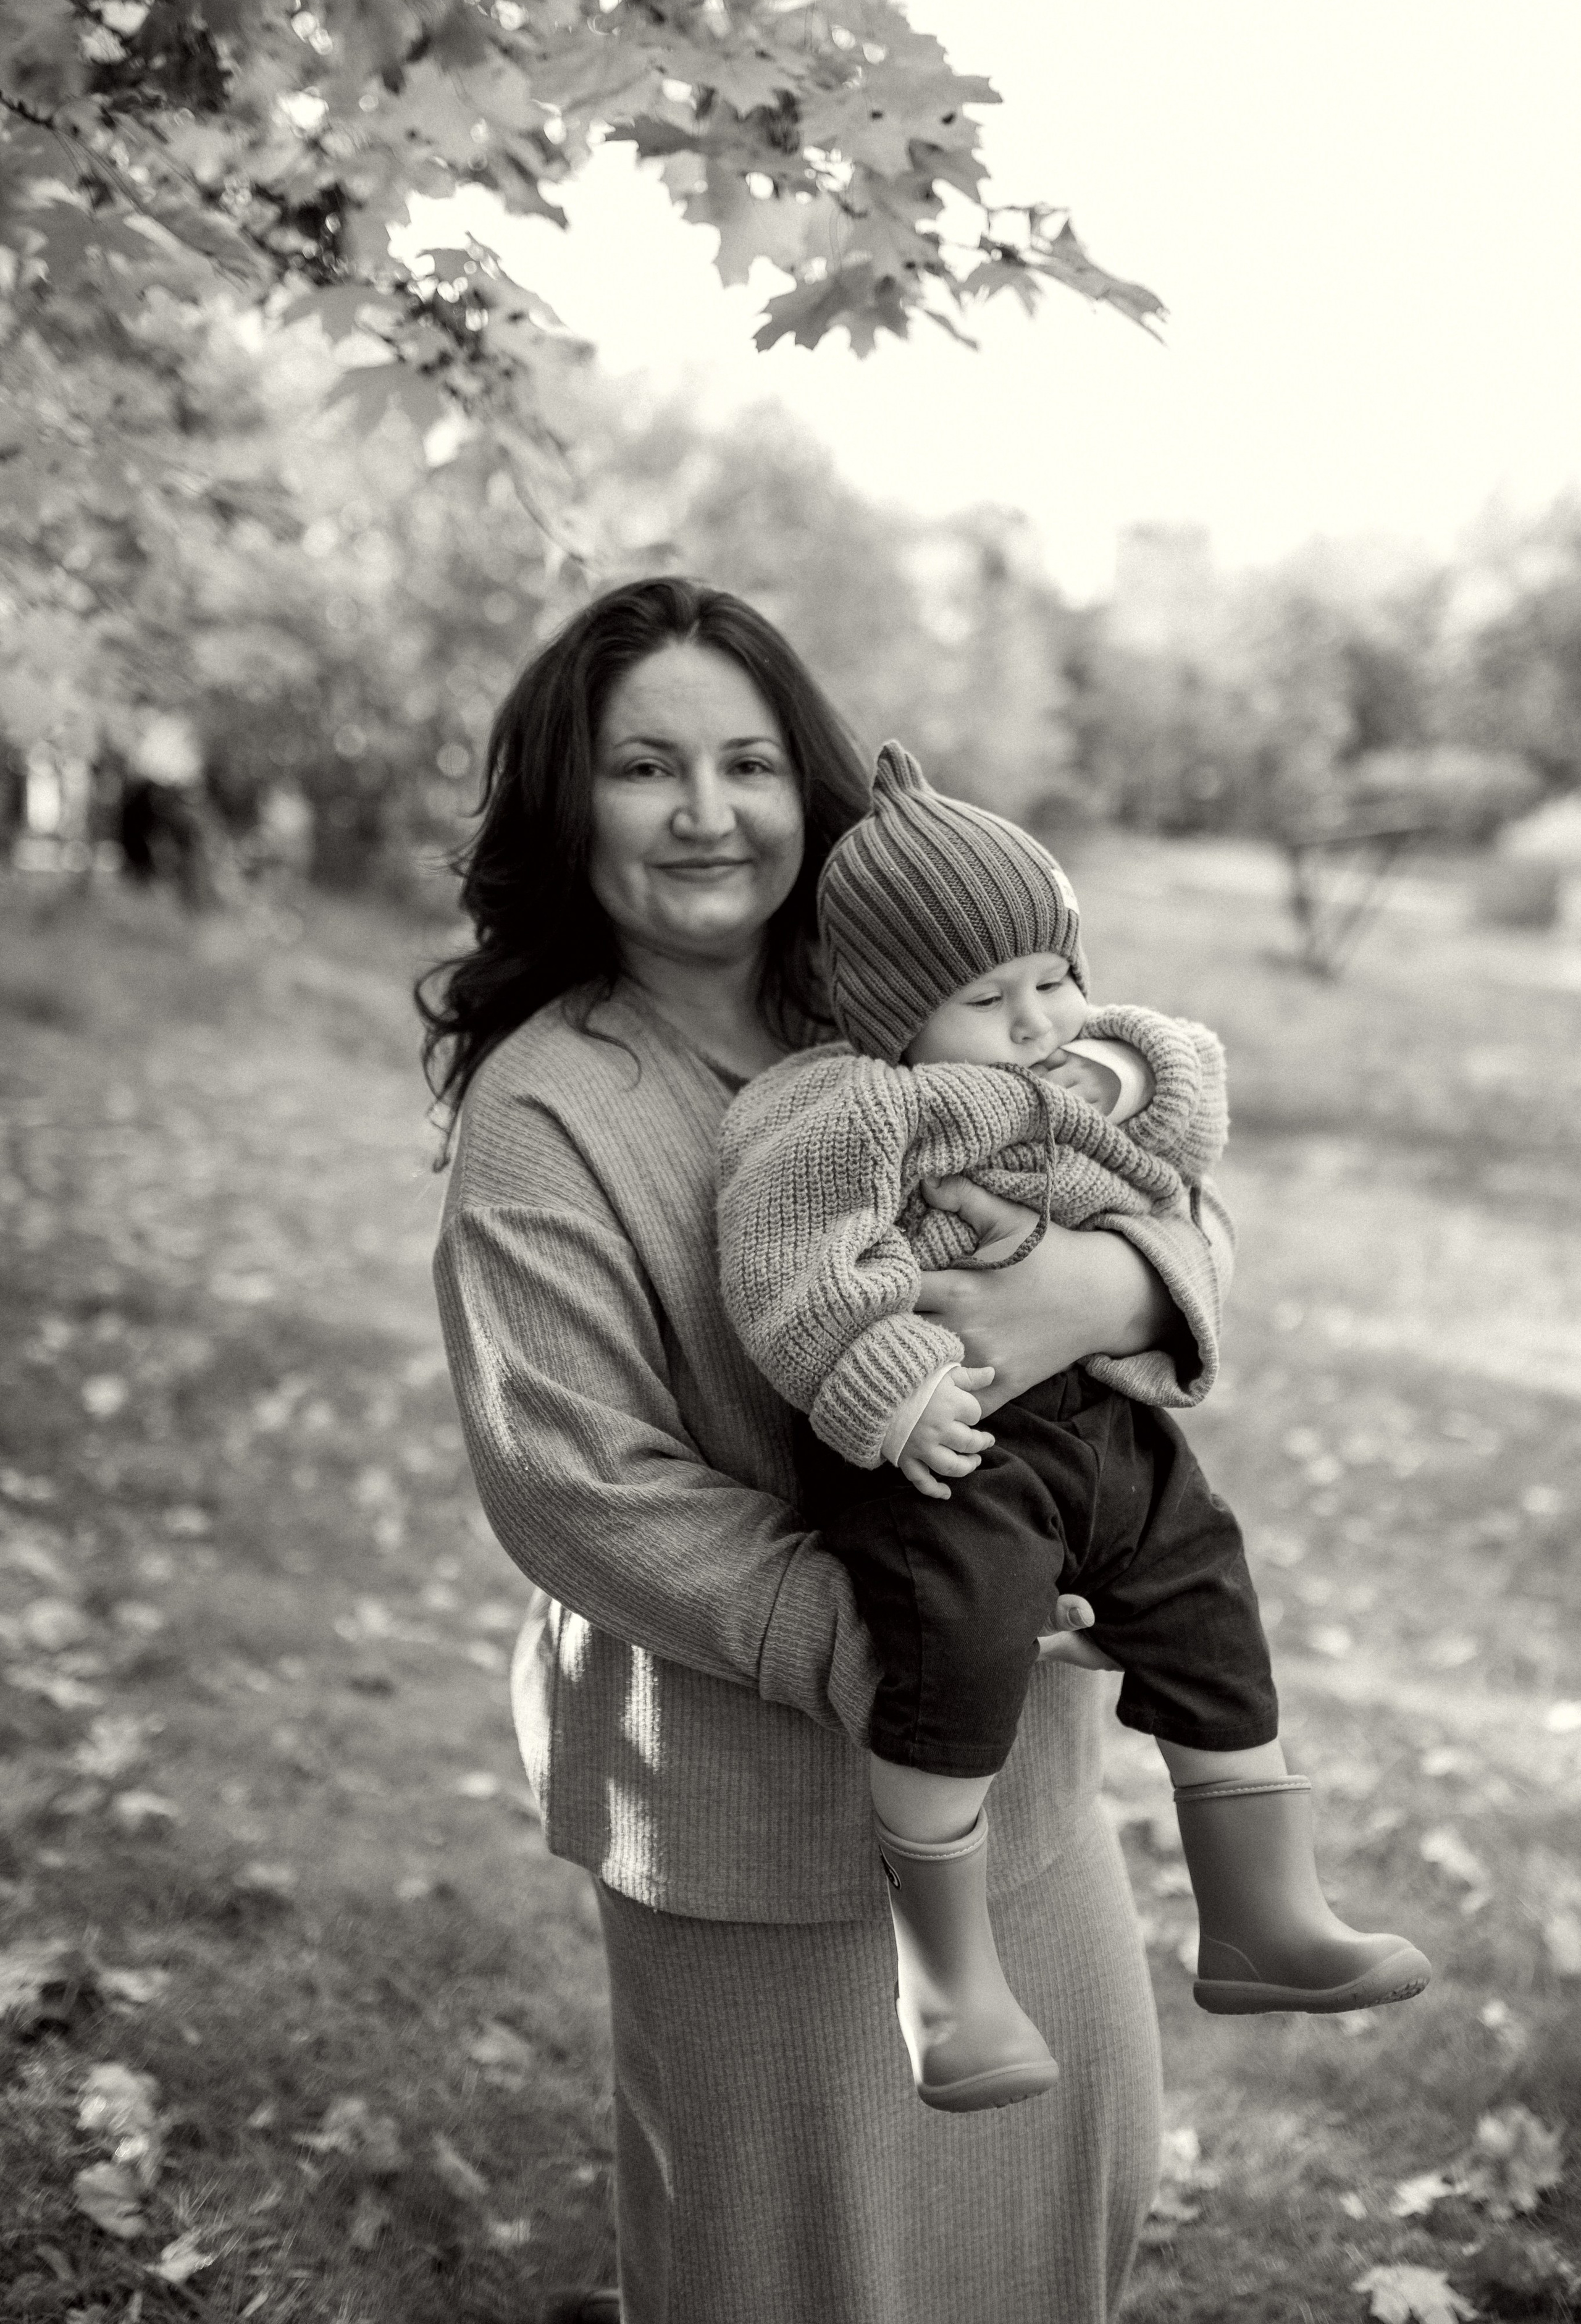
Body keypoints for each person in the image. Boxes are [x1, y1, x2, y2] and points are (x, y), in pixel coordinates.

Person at [422, 576, 1235, 2324]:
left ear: (812, 789)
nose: (707, 813)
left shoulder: (904, 1000)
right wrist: (915, 1649)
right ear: (576, 806)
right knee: (800, 2272)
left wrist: (1090, 1291)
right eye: (648, 768)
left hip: (1021, 1794)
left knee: (1056, 2226)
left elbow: (1173, 1197)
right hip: (741, 1817)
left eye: (747, 763)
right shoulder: (547, 1111)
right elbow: (577, 1487)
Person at [718, 744, 1430, 2116]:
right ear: (886, 1013)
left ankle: (1260, 1916)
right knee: (959, 1648)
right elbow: (785, 1261)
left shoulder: (1077, 1078)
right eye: (990, 999)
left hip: (1099, 1420)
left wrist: (1101, 1061)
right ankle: (945, 1984)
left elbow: (1189, 1096)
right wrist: (886, 1378)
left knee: (1204, 1591)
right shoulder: (846, 1105)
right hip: (947, 1440)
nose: (1039, 1019)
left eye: (1054, 979)